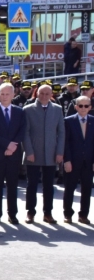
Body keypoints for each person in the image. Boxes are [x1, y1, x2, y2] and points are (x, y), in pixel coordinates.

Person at [23, 84, 64, 224]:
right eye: (41, 93)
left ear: (51, 94)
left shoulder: (57, 110)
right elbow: (25, 133)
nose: (44, 96)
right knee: (32, 184)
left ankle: (48, 213)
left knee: (48, 185)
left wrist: (59, 152)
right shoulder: (28, 109)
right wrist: (29, 151)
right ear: (37, 93)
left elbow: (61, 132)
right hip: (33, 153)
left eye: (47, 94)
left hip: (51, 154)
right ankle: (30, 212)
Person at [0, 83, 26, 224]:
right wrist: (7, 144)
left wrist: (13, 146)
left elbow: (22, 130)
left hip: (14, 154)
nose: (4, 96)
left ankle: (12, 214)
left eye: (7, 94)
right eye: (1, 94)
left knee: (13, 186)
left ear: (13, 95)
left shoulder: (20, 112)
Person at [62, 95, 94, 224]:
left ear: (90, 107)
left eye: (86, 106)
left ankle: (83, 215)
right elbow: (65, 143)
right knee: (69, 188)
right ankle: (68, 214)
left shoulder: (93, 120)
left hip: (88, 161)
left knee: (87, 190)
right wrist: (67, 160)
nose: (83, 108)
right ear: (76, 107)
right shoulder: (68, 121)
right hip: (73, 161)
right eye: (80, 105)